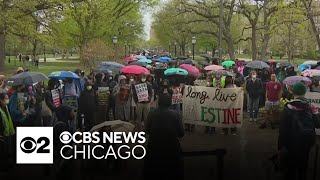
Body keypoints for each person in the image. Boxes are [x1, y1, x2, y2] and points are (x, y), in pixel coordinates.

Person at [278, 82, 320, 180]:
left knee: (290, 166)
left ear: (293, 92)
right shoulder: (311, 107)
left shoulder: (288, 107)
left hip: (291, 142)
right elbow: (318, 124)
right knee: (303, 164)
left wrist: (280, 146)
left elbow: (283, 130)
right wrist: (316, 113)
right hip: (307, 141)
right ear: (304, 93)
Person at [144, 93, 184, 180]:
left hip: (154, 147)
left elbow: (147, 130)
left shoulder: (152, 113)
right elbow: (181, 133)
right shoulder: (176, 114)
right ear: (170, 102)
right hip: (172, 148)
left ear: (159, 102)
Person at [0, 93, 15, 170]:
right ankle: (4, 166)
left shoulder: (5, 107)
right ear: (1, 100)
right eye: (6, 98)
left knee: (8, 149)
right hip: (3, 134)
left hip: (9, 131)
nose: (7, 100)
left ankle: (8, 163)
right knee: (3, 150)